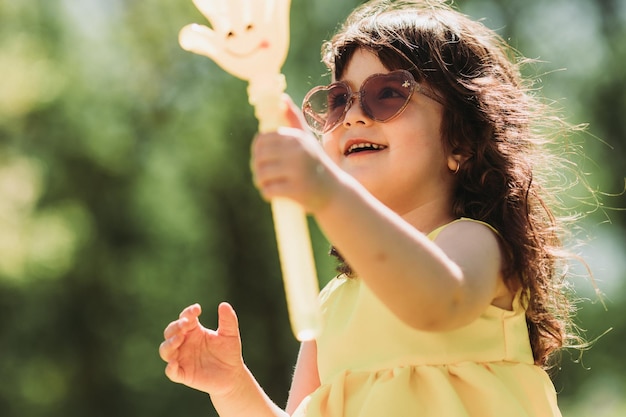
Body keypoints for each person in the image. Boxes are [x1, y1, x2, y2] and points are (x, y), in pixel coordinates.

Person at [159, 0, 587, 415]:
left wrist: (327, 191)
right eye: (339, 100)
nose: (353, 116)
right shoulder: (332, 306)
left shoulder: (474, 242)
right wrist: (232, 386)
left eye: (387, 94)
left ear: (461, 141)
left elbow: (436, 302)